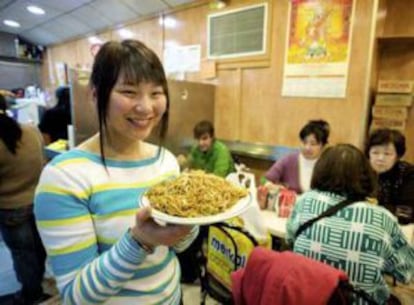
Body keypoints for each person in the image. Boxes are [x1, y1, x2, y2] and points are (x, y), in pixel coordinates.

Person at [34, 40, 198, 304]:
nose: (146, 107)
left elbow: (178, 245)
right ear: (96, 95)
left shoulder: (165, 161)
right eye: (129, 92)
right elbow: (77, 296)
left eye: (156, 93)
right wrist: (140, 241)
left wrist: (192, 218)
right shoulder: (64, 177)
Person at [286, 144, 414, 305]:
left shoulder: (305, 200)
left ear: (320, 170)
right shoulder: (382, 218)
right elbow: (406, 271)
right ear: (366, 175)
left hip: (307, 297)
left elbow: (290, 240)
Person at [0, 94, 49, 304]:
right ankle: (39, 286)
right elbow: (42, 160)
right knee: (39, 249)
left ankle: (31, 294)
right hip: (38, 201)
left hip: (10, 208)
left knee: (23, 255)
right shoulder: (31, 131)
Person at [264, 119, 330, 194]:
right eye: (304, 142)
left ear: (323, 146)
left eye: (313, 144)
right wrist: (270, 185)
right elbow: (263, 180)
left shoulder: (327, 166)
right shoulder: (289, 160)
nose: (307, 148)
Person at [365, 128, 414, 223]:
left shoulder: (408, 174)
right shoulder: (359, 171)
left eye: (387, 154)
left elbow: (406, 213)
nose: (380, 158)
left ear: (398, 156)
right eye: (375, 153)